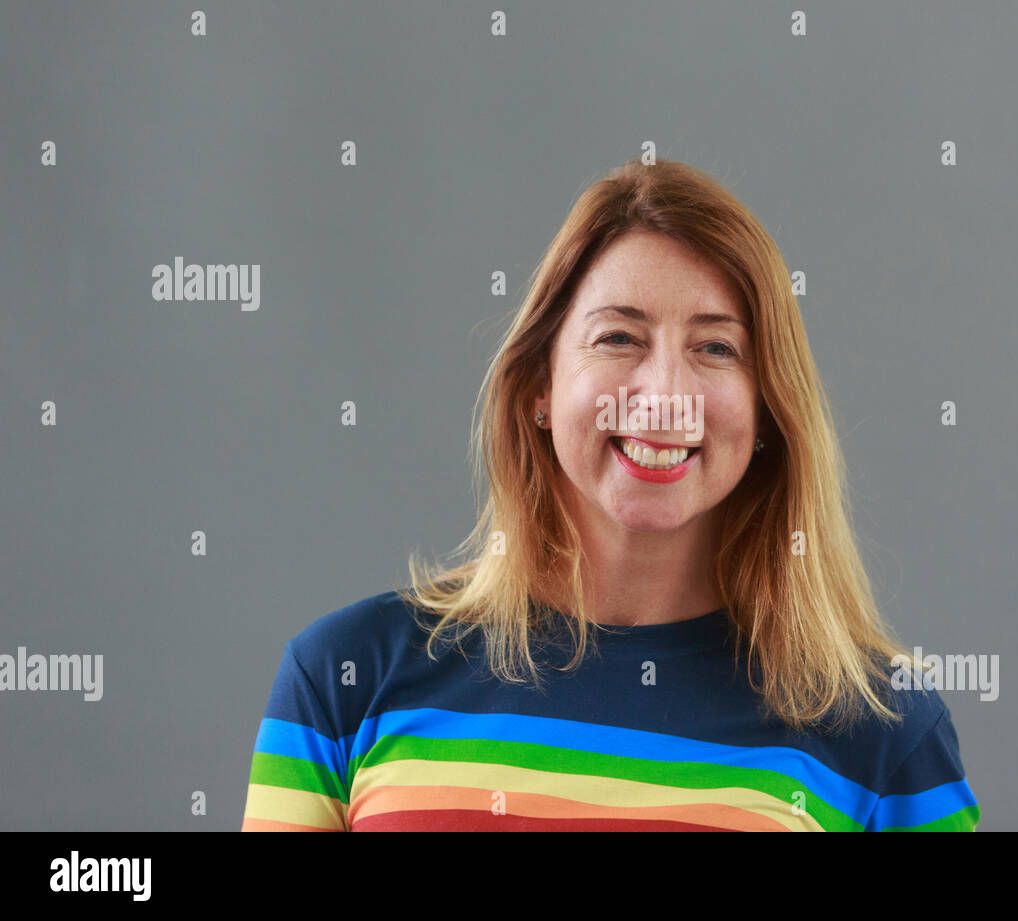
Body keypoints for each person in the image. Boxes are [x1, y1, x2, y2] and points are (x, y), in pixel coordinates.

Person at [241, 158, 980, 831]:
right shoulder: (343, 681)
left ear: (766, 412)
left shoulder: (886, 737)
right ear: (539, 386)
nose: (664, 394)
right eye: (619, 338)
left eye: (715, 347)